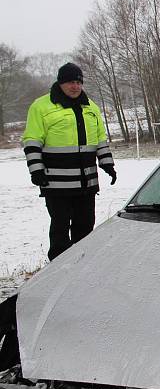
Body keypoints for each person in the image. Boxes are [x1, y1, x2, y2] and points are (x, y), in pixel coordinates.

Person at [22, 62, 117, 261]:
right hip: (57, 183)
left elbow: (100, 139)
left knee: (85, 227)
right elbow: (32, 140)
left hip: (87, 182)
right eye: (70, 82)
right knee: (60, 229)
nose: (74, 86)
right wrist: (36, 170)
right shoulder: (41, 106)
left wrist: (107, 163)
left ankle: (82, 266)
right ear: (60, 83)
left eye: (78, 82)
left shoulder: (91, 107)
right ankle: (58, 268)